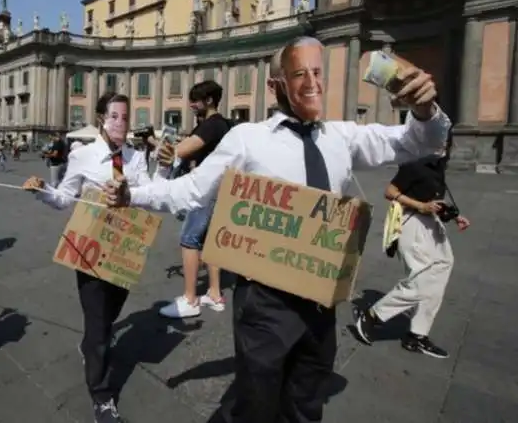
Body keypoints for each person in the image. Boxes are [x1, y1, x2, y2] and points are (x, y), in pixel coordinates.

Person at [104, 36, 451, 423]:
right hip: (265, 301)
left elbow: (420, 143)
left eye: (317, 72)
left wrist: (423, 110)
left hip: (322, 300)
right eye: (299, 73)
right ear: (275, 86)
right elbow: (191, 191)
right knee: (257, 402)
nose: (311, 82)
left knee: (306, 402)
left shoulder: (342, 137)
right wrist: (131, 195)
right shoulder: (247, 139)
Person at [23, 92, 161, 423]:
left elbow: (150, 196)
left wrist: (162, 172)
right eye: (114, 116)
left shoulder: (136, 158)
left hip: (124, 250)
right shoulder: (83, 155)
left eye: (125, 118)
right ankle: (101, 396)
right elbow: (63, 198)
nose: (120, 123)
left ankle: (91, 347)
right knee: (98, 323)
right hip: (89, 247)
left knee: (110, 313)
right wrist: (42, 189)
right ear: (101, 118)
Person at [354, 131, 469, 358]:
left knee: (443, 267)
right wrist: (420, 205)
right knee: (421, 279)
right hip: (412, 223)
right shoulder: (415, 164)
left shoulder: (438, 166)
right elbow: (390, 192)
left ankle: (417, 335)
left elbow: (433, 197)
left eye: (446, 141)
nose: (443, 146)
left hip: (431, 223)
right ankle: (372, 316)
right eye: (439, 140)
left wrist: (454, 216)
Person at [155, 80, 233, 319]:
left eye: (195, 100)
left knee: (189, 239)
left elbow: (181, 150)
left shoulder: (212, 125)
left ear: (209, 101)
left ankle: (190, 299)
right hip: (219, 190)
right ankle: (215, 294)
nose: (190, 104)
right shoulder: (224, 125)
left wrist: (158, 145)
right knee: (210, 243)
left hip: (205, 191)